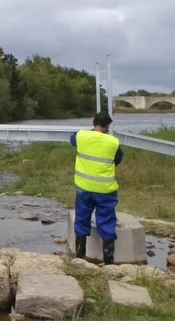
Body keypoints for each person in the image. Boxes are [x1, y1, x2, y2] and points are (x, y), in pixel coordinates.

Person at [71, 111, 123, 265]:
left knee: (81, 219)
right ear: (108, 126)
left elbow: (72, 140)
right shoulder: (113, 142)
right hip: (105, 190)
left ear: (93, 123)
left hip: (84, 188)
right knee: (107, 222)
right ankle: (108, 262)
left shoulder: (81, 136)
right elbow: (118, 159)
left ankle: (79, 258)